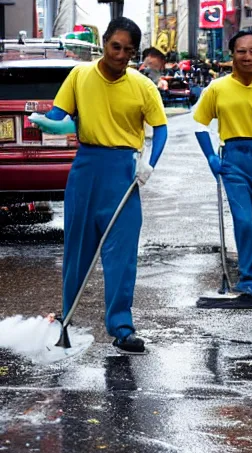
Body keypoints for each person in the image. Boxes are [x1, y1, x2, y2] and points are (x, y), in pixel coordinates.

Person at [31, 17, 168, 354]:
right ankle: (67, 317)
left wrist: (149, 163)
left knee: (122, 255)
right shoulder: (79, 75)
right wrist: (44, 120)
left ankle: (122, 328)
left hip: (124, 173)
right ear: (105, 43)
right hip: (87, 168)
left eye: (128, 50)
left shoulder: (142, 86)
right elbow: (60, 116)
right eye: (115, 46)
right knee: (77, 249)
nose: (120, 55)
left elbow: (160, 128)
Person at [193, 30, 252, 297]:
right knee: (244, 219)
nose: (247, 57)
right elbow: (200, 125)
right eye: (241, 51)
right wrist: (211, 157)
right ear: (231, 54)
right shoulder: (218, 88)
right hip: (231, 160)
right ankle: (247, 276)